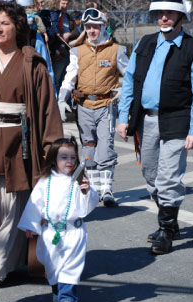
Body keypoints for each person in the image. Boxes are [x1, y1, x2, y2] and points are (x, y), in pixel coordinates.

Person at [0, 0, 63, 285]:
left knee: (15, 205)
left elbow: (46, 110)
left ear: (18, 27)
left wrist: (53, 150)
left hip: (20, 142)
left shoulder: (33, 64)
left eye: (5, 23)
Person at [116, 0, 193, 255]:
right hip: (146, 119)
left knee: (169, 176)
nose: (164, 18)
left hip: (178, 119)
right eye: (160, 14)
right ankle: (171, 220)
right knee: (150, 173)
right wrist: (123, 116)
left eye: (169, 14)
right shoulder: (144, 44)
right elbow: (129, 81)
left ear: (181, 17)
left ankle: (166, 230)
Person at [18, 137, 98, 302]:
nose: (69, 161)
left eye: (72, 157)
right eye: (64, 157)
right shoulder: (45, 181)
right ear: (54, 160)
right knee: (52, 266)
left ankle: (68, 299)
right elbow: (34, 204)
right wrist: (30, 225)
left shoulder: (79, 181)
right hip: (50, 231)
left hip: (74, 232)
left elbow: (89, 205)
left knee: (70, 266)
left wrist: (86, 191)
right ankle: (57, 290)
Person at [58, 8, 128, 207]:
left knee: (105, 147)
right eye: (88, 27)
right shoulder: (77, 51)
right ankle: (95, 191)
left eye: (95, 27)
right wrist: (62, 98)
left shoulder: (116, 50)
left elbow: (130, 74)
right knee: (88, 148)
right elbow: (69, 77)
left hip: (106, 105)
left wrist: (124, 91)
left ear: (103, 27)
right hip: (84, 105)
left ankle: (107, 190)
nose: (91, 30)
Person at [49, 0, 70, 91]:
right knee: (56, 80)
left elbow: (76, 31)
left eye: (67, 4)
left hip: (67, 49)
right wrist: (58, 33)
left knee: (65, 80)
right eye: (63, 4)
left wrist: (69, 34)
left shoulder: (68, 17)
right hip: (56, 50)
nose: (65, 6)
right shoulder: (53, 15)